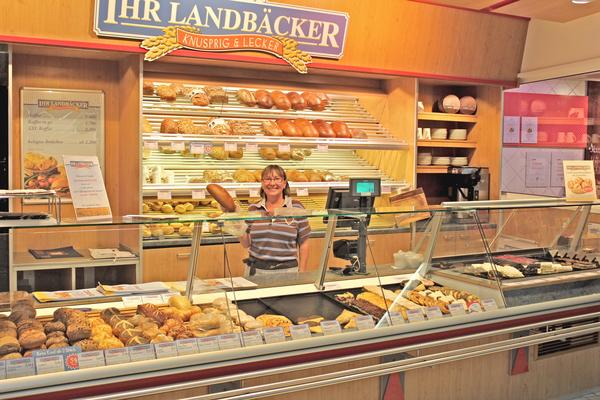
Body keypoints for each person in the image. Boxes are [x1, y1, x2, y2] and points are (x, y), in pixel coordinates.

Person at [240, 165, 310, 276]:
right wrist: (237, 226)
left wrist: (302, 273)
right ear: (262, 183)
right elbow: (246, 243)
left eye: (277, 179)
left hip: (287, 272)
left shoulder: (296, 207)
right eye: (268, 179)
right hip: (255, 271)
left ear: (284, 183)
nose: (272, 183)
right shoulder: (254, 208)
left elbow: (304, 243)